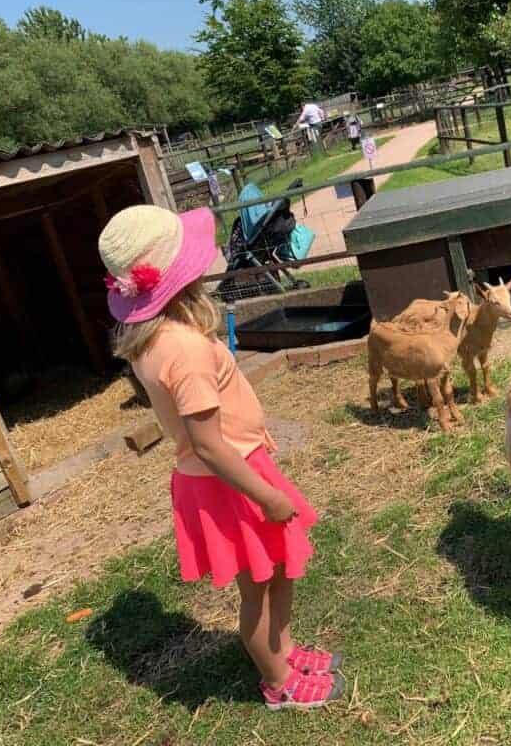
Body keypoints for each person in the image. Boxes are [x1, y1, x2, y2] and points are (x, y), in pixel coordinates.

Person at [99, 205, 344, 710]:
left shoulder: (159, 340)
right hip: (231, 479)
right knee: (258, 584)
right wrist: (266, 495)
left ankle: (285, 649)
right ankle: (278, 682)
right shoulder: (183, 350)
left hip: (235, 470)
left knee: (277, 568)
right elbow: (209, 444)